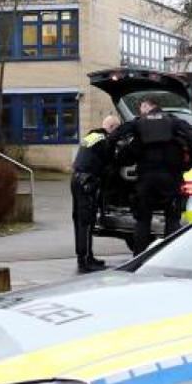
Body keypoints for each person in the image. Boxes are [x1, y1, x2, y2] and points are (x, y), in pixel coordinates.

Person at [111, 98, 192, 254]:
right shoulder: (174, 123)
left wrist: (115, 159)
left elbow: (120, 142)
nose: (140, 112)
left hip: (146, 181)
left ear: (147, 106)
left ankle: (139, 258)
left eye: (141, 108)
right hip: (171, 179)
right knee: (172, 220)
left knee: (143, 221)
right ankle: (170, 256)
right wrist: (190, 163)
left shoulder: (138, 125)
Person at [71, 114, 119, 272]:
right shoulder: (105, 140)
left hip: (77, 180)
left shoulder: (92, 135)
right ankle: (84, 262)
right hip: (87, 182)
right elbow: (111, 165)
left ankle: (88, 257)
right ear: (112, 128)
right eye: (116, 131)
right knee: (85, 222)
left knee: (83, 221)